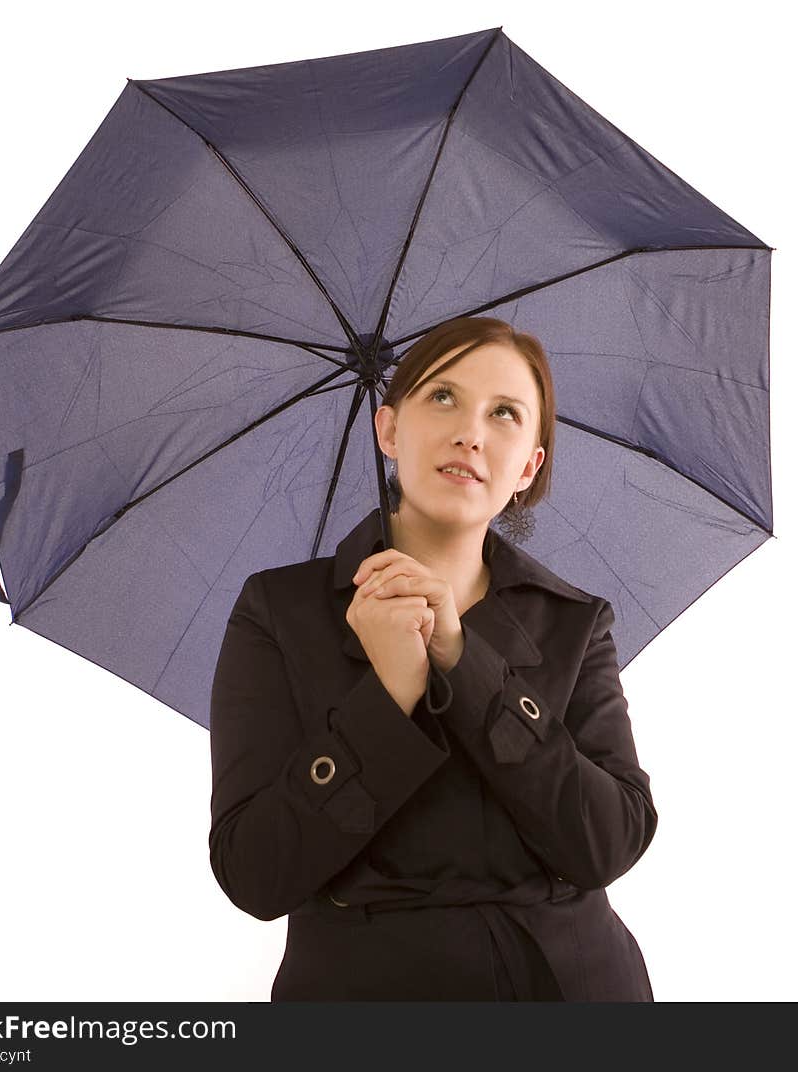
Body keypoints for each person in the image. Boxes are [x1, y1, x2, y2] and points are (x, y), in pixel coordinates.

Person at [208, 315, 658, 1001]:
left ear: (528, 467)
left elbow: (608, 843)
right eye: (443, 397)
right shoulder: (278, 611)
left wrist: (463, 657)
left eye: (504, 413)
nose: (470, 433)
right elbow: (255, 874)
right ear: (389, 429)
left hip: (572, 984)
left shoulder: (575, 620)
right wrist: (387, 698)